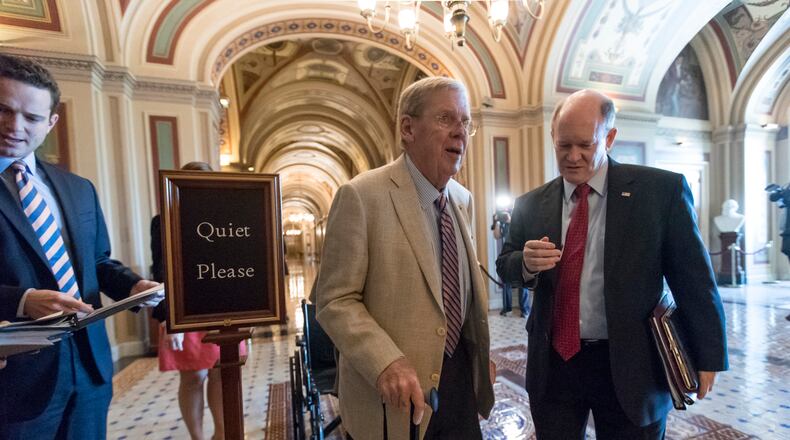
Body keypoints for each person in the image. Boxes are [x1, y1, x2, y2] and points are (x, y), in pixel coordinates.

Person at [496, 89, 728, 439]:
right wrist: (525, 263)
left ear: (610, 138)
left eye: (585, 145)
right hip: (556, 366)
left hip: (632, 365)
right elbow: (505, 265)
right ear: (552, 139)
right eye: (563, 146)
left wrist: (707, 355)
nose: (572, 157)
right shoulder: (532, 204)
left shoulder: (659, 192)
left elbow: (694, 280)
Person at [315, 77, 495, 440]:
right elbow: (335, 300)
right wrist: (385, 361)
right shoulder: (361, 196)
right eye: (446, 119)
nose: (460, 133)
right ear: (408, 128)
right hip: (393, 400)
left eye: (466, 122)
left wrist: (477, 354)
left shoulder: (462, 199)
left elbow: (459, 291)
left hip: (459, 388)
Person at [0, 54, 162, 437]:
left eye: (32, 118)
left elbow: (98, 262)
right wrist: (21, 301)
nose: (15, 126)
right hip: (14, 380)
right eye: (3, 110)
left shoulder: (78, 188)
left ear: (51, 122)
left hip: (89, 369)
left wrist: (132, 286)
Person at [150, 161, 237, 440]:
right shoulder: (163, 221)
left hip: (223, 307)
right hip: (184, 309)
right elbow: (160, 270)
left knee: (221, 373)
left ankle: (221, 435)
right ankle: (198, 437)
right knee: (192, 376)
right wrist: (167, 318)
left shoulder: (228, 220)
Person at [492, 211, 530, 317]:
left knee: (524, 283)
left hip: (522, 254)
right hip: (508, 257)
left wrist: (512, 219)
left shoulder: (519, 220)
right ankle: (507, 308)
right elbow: (496, 236)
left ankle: (525, 310)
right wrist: (497, 222)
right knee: (506, 282)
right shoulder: (502, 223)